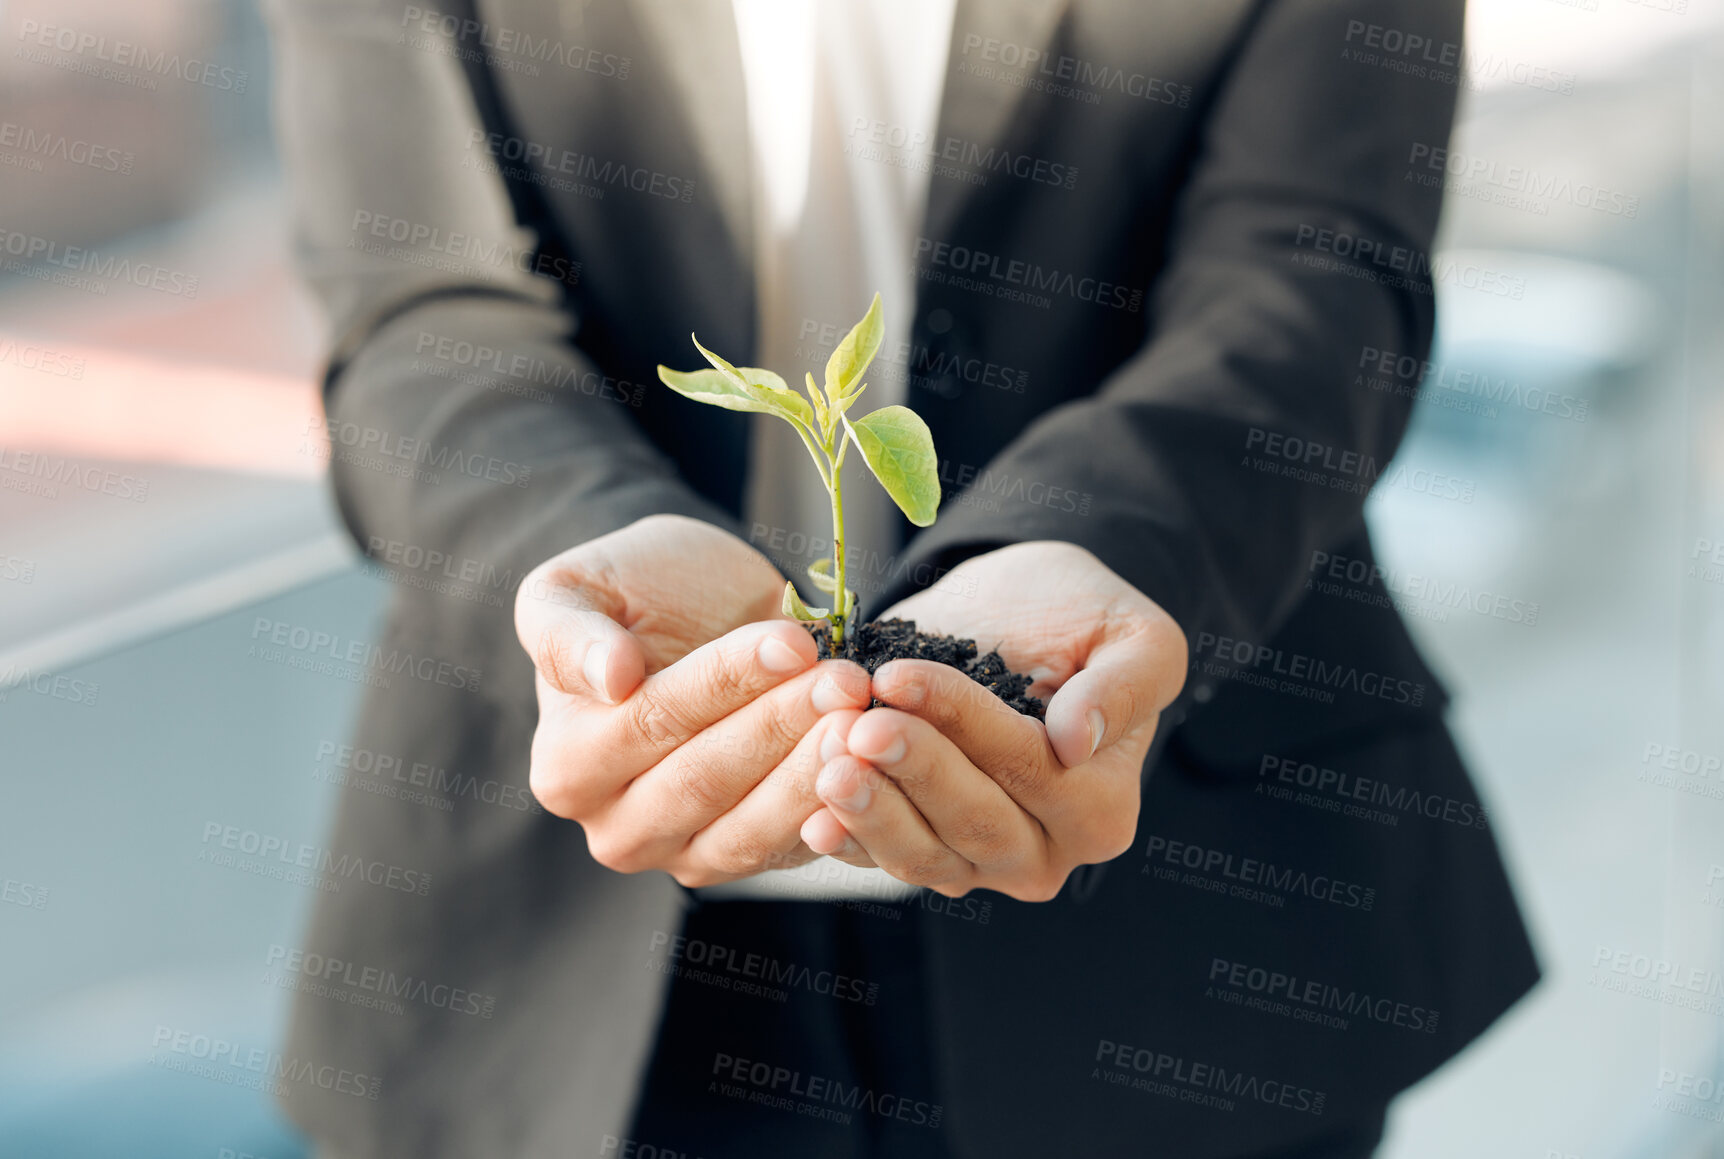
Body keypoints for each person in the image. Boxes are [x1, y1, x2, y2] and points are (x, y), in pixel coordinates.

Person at [265, 0, 1538, 1155]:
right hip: (573, 973)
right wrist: (577, 554)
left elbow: (1313, 282)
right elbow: (418, 312)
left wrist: (1103, 546)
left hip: (1186, 933)